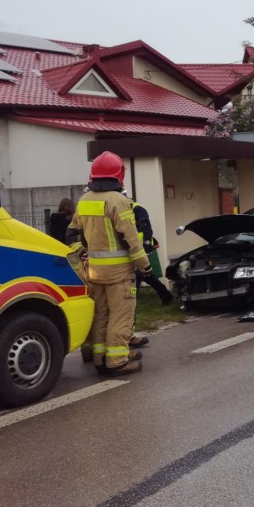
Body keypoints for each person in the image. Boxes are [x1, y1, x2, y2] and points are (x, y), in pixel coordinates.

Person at [66, 151, 151, 376]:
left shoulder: (84, 200)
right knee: (121, 316)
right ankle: (117, 361)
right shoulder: (119, 201)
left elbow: (71, 234)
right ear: (119, 175)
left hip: (94, 271)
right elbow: (130, 238)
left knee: (101, 316)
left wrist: (83, 253)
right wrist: (145, 265)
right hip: (119, 272)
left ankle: (100, 359)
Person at [125, 193, 172, 349]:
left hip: (141, 250)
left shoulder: (138, 210)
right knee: (148, 276)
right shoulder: (125, 209)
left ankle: (135, 305)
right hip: (133, 250)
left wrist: (145, 247)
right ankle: (166, 296)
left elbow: (147, 229)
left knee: (138, 277)